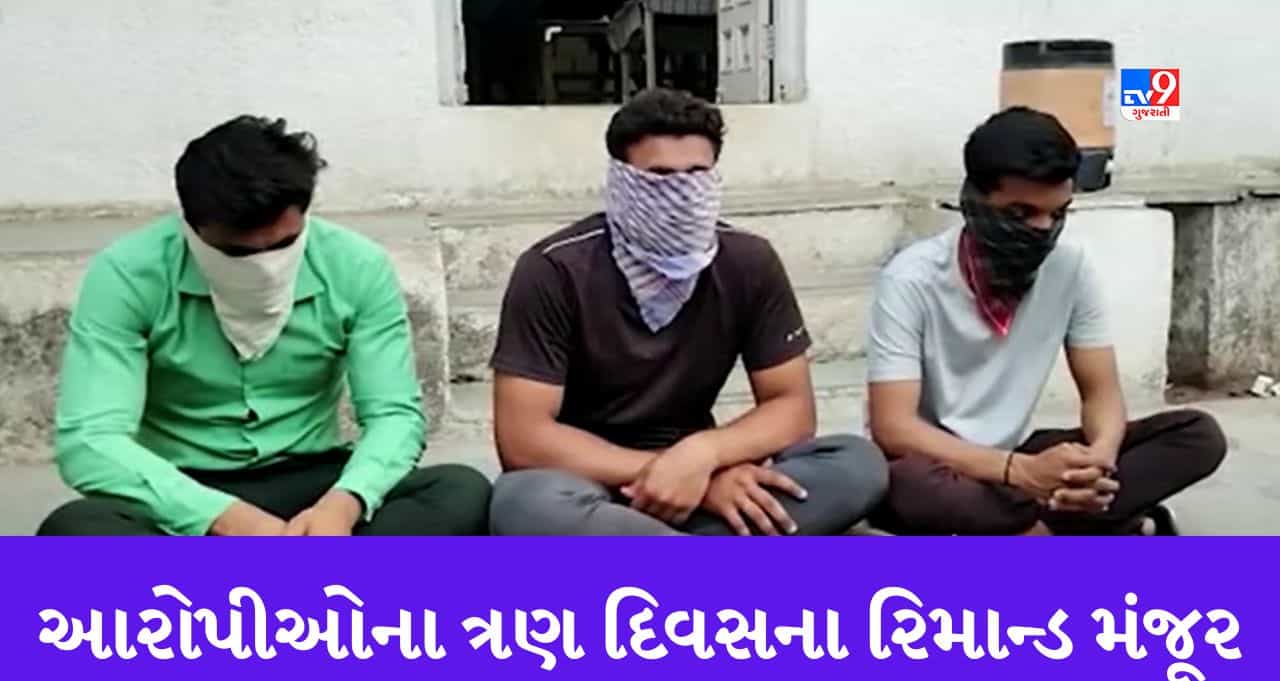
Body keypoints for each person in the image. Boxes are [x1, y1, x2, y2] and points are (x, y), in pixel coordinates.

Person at [38, 116, 491, 536]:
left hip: (316, 485)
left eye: (285, 245)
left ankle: (227, 593)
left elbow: (394, 415)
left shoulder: (356, 266)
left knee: (459, 491)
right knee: (75, 530)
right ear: (192, 226)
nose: (266, 267)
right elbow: (90, 440)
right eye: (238, 253)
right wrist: (228, 521)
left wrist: (345, 504)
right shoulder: (128, 273)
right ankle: (330, 587)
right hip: (182, 491)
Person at [487, 89, 888, 536]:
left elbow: (791, 407)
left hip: (702, 465)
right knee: (525, 504)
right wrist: (670, 473)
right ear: (620, 180)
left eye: (696, 175)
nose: (680, 193)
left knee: (857, 464)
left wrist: (704, 457)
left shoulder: (748, 261)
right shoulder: (553, 270)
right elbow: (524, 438)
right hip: (588, 478)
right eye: (659, 177)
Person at [864, 107, 1227, 536]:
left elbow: (1101, 393)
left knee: (1196, 435)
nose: (1043, 229)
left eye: (1058, 214)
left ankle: (1033, 528)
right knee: (907, 485)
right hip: (942, 464)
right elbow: (894, 427)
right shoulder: (911, 280)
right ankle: (1072, 528)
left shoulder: (1070, 267)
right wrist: (1019, 472)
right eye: (1021, 214)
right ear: (974, 201)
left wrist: (1099, 462)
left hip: (1019, 457)